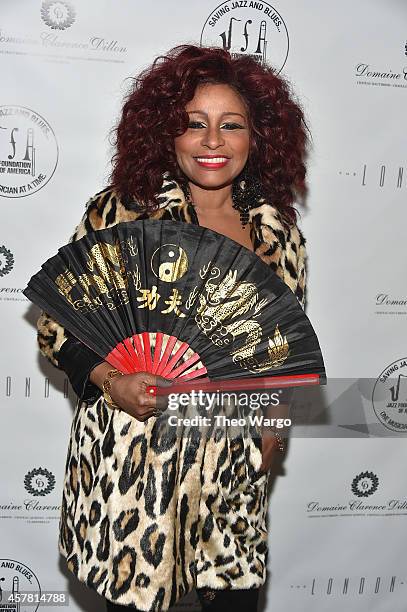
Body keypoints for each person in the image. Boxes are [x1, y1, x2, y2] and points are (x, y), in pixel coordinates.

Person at [35, 44, 308, 612]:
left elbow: (283, 351)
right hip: (138, 465)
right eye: (194, 124)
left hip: (233, 466)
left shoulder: (278, 233)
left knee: (236, 602)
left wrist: (271, 435)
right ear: (167, 134)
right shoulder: (123, 211)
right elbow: (60, 324)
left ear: (256, 138)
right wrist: (113, 381)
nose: (213, 141)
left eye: (231, 125)